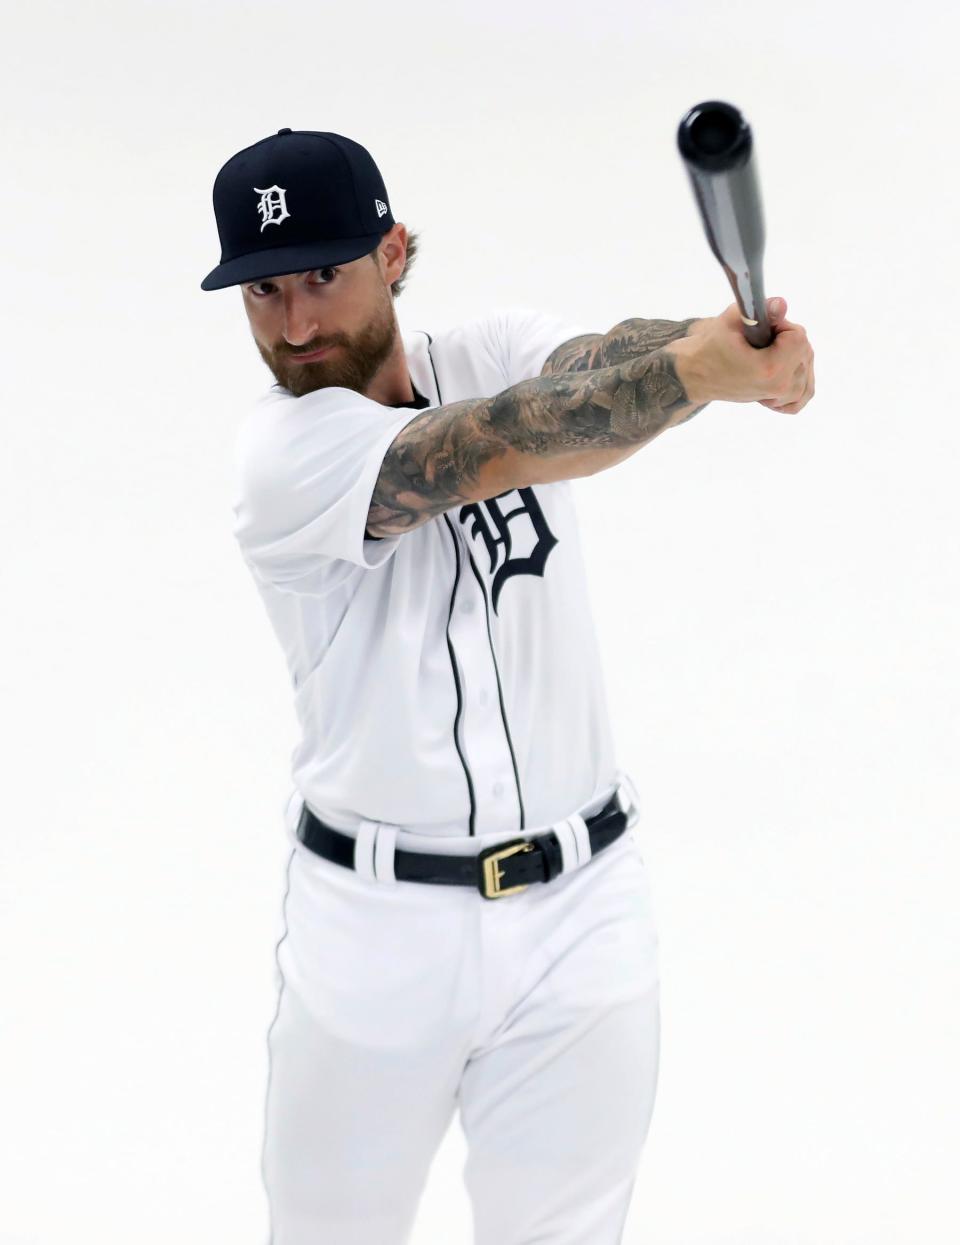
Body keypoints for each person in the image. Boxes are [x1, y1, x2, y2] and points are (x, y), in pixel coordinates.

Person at [200, 127, 815, 1245]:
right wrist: (697, 374)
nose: (294, 326)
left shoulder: (486, 346)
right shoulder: (280, 457)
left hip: (584, 910)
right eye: (264, 292)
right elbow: (511, 439)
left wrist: (728, 349)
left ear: (391, 253)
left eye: (322, 277)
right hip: (373, 934)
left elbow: (594, 366)